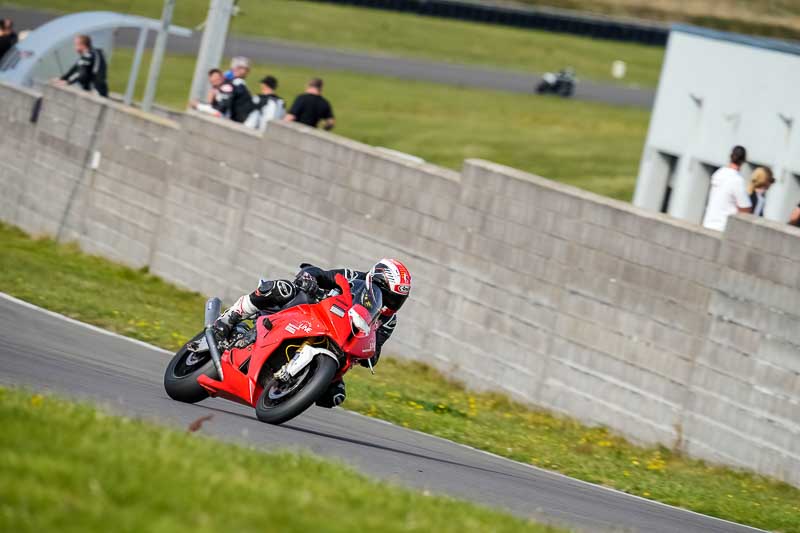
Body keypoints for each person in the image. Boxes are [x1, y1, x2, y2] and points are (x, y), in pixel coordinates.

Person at [213, 259, 412, 407]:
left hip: (337, 345)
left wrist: (368, 353)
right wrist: (309, 277)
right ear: (375, 282)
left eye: (398, 299)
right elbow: (321, 274)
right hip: (311, 314)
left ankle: (291, 387)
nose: (392, 302)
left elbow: (375, 351)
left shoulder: (388, 321)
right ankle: (229, 318)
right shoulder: (354, 278)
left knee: (335, 395)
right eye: (389, 295)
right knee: (282, 289)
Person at [702, 145, 752, 231]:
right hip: (723, 228)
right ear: (743, 161)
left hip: (707, 224)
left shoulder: (718, 173)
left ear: (730, 156)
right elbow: (745, 208)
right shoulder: (737, 180)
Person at [224, 57, 254, 123]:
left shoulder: (235, 82)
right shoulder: (236, 84)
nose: (244, 71)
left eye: (246, 69)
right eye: (241, 68)